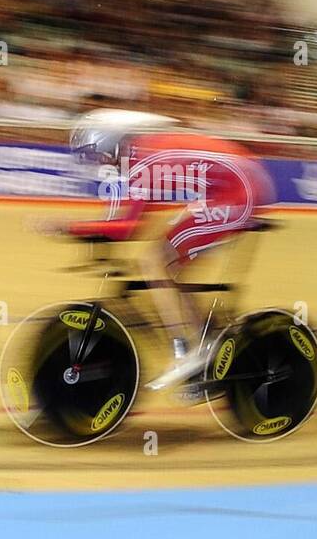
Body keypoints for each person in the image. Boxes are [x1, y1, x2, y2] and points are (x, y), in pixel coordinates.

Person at [54, 109, 276, 392]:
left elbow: (129, 228)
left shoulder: (143, 160)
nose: (100, 162)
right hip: (234, 185)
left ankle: (184, 350)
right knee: (168, 266)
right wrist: (93, 234)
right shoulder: (140, 154)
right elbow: (125, 220)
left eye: (98, 154)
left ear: (110, 142)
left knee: (154, 262)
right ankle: (207, 343)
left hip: (242, 191)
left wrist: (71, 228)